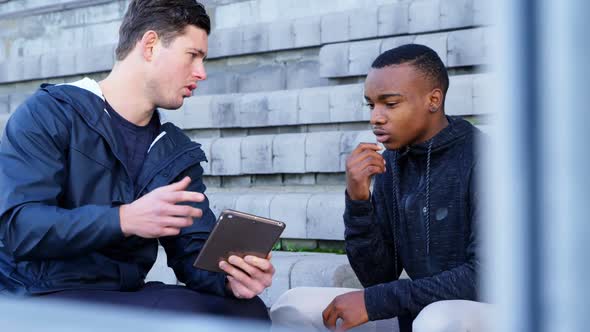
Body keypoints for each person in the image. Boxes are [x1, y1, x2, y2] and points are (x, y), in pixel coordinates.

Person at [0, 0, 273, 323]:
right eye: (193, 55)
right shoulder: (51, 113)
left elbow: (192, 251)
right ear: (151, 45)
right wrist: (123, 219)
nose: (201, 73)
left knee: (247, 314)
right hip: (39, 293)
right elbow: (21, 227)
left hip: (120, 294)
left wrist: (231, 277)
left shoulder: (173, 151)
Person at [270, 44, 489, 332]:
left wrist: (376, 302)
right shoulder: (392, 163)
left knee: (437, 321)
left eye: (390, 103)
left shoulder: (485, 158)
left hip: (496, 311)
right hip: (422, 306)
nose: (376, 117)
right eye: (372, 104)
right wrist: (358, 200)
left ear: (433, 100)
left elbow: (484, 278)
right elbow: (378, 277)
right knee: (294, 305)